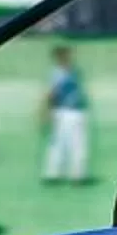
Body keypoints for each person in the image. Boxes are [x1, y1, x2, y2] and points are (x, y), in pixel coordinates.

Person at [42, 43, 92, 184]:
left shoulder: (71, 72)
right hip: (69, 111)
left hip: (68, 111)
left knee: (63, 143)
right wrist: (46, 111)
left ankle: (58, 174)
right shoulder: (63, 73)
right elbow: (51, 94)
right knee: (71, 143)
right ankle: (74, 175)